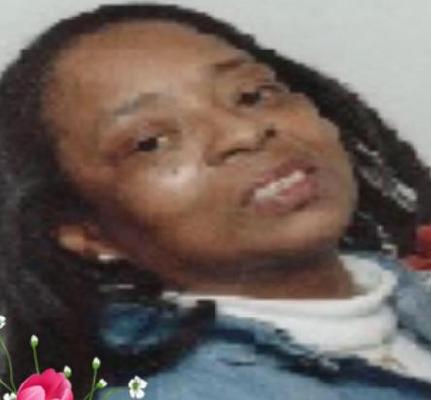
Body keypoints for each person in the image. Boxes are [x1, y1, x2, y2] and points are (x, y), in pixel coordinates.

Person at [0, 3, 431, 399]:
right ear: (87, 232)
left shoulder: (401, 290)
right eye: (151, 142)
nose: (245, 132)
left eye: (252, 95)